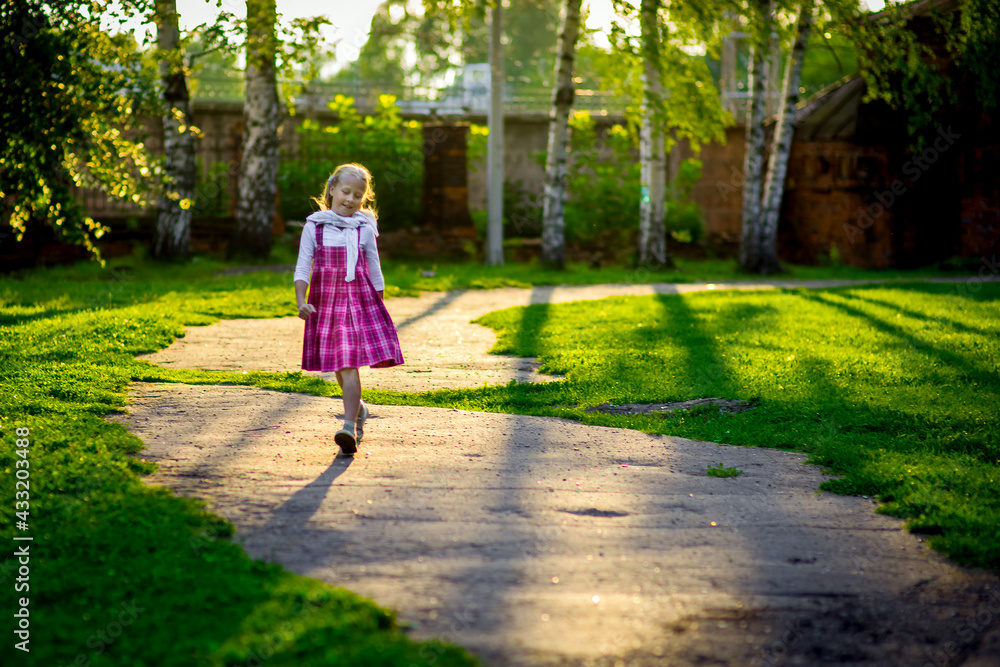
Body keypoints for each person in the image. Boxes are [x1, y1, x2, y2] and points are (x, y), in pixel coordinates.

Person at [294, 163, 404, 456]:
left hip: (357, 300)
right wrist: (300, 300)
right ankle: (359, 410)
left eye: (358, 195)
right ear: (331, 190)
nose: (350, 199)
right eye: (346, 192)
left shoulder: (364, 227)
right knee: (338, 364)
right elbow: (303, 266)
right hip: (324, 301)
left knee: (347, 362)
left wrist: (377, 303)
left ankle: (348, 427)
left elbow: (374, 266)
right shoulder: (315, 226)